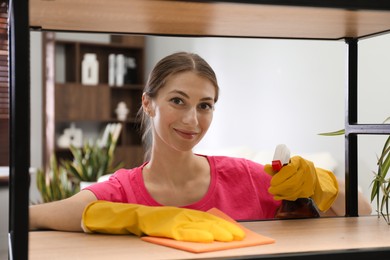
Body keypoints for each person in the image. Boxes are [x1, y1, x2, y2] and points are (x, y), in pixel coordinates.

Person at [29, 52, 370, 242]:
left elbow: (363, 209)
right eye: (178, 101)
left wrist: (320, 183)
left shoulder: (245, 177)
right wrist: (138, 215)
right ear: (148, 103)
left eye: (205, 105)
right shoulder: (122, 191)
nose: (192, 120)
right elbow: (33, 216)